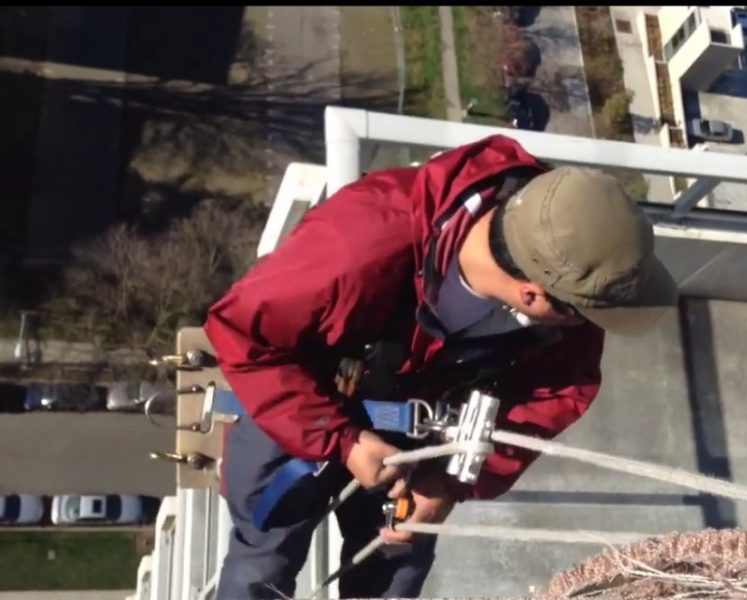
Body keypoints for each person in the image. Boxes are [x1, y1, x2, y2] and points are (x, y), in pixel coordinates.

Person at [204, 134, 678, 599]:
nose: (589, 327)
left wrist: (450, 481)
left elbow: (558, 391)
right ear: (531, 296)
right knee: (262, 560)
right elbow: (244, 334)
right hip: (303, 405)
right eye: (583, 315)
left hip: (421, 438)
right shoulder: (357, 245)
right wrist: (340, 440)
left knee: (395, 565)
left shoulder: (564, 270)